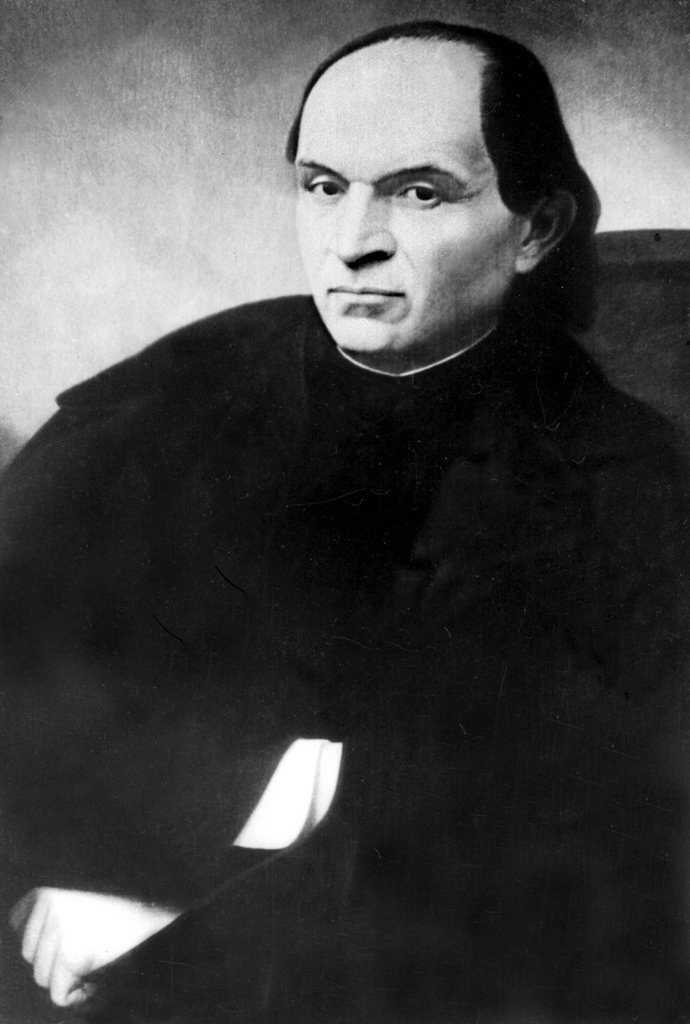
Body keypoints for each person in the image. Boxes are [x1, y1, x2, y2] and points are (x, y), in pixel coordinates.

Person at [0, 20, 688, 1024]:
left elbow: (557, 852)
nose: (354, 238)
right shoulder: (181, 390)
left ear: (536, 228)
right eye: (324, 186)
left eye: (420, 193)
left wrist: (179, 918)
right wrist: (82, 868)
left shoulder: (624, 489)